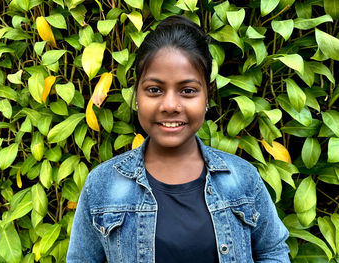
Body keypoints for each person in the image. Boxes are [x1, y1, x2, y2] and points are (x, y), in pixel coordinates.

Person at [67, 15, 290, 263]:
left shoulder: (242, 179)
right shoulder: (102, 185)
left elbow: (273, 251)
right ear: (137, 95)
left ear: (207, 97)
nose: (171, 105)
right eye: (154, 90)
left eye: (188, 91)